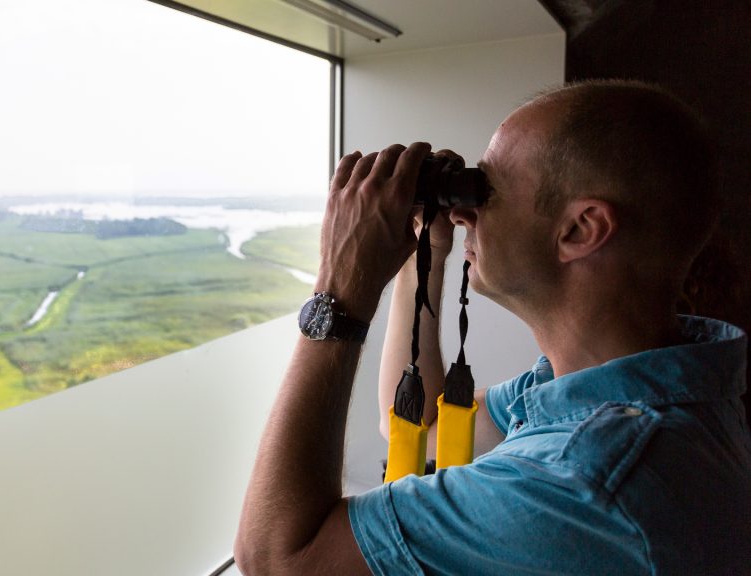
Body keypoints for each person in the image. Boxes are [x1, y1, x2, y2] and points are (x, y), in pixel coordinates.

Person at [233, 80, 750, 575]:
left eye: (488, 190)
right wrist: (423, 255)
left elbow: (279, 559)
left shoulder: (583, 478)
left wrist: (340, 288)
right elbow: (417, 426)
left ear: (579, 229)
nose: (461, 213)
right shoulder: (639, 386)